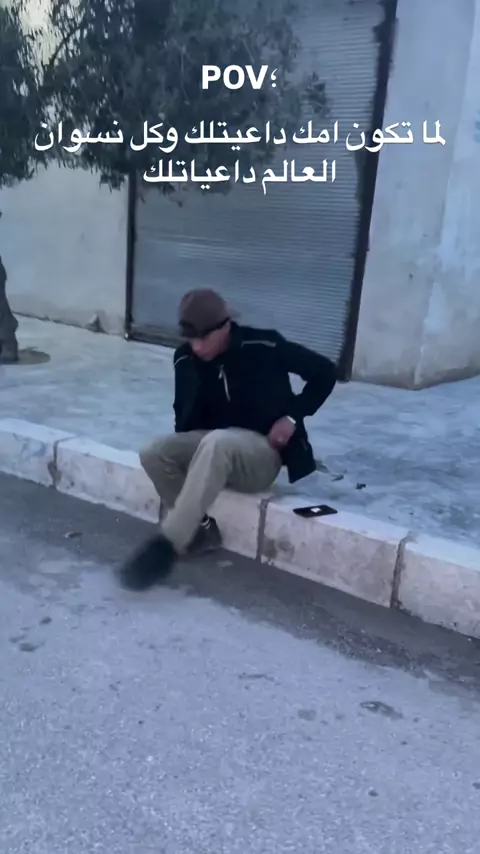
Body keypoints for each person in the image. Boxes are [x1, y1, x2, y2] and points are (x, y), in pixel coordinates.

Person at [120, 289, 337, 591]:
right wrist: (189, 462)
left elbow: (325, 372)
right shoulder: (184, 358)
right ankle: (200, 531)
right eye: (190, 339)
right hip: (213, 446)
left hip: (261, 452)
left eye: (203, 338)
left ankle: (168, 543)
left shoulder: (264, 346)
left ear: (224, 327)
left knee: (218, 441)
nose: (196, 347)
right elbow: (182, 417)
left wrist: (292, 417)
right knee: (153, 451)